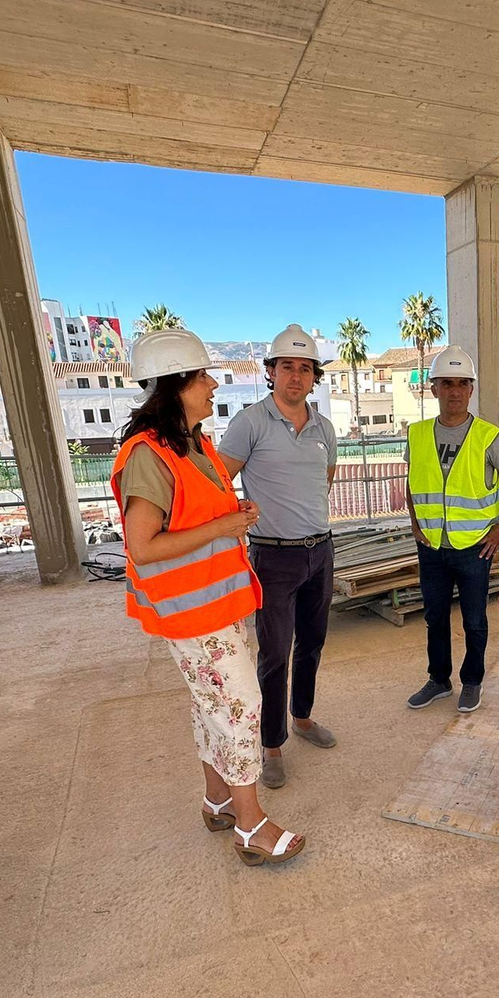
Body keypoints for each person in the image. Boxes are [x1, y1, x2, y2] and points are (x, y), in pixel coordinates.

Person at [112, 328, 304, 866]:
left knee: (211, 706)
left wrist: (232, 519)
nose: (212, 384)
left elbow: (203, 515)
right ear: (174, 386)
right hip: (190, 615)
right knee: (242, 709)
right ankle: (251, 824)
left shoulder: (196, 445)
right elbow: (144, 546)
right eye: (201, 377)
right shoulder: (149, 455)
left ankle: (218, 801)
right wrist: (223, 527)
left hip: (216, 606)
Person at [216, 324, 338, 790]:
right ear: (271, 371)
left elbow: (324, 479)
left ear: (313, 377)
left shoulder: (324, 427)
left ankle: (302, 718)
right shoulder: (249, 422)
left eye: (305, 368)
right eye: (287, 366)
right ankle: (271, 745)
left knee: (313, 642)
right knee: (274, 654)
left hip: (320, 552)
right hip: (273, 557)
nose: (296, 376)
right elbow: (220, 480)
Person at [404, 345, 499, 713]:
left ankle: (472, 682)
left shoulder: (489, 437)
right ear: (434, 388)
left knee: (474, 620)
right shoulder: (417, 434)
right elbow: (412, 484)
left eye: (462, 383)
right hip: (433, 548)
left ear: (471, 389)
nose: (454, 391)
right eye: (446, 383)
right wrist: (416, 526)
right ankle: (439, 680)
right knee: (434, 617)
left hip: (475, 547)